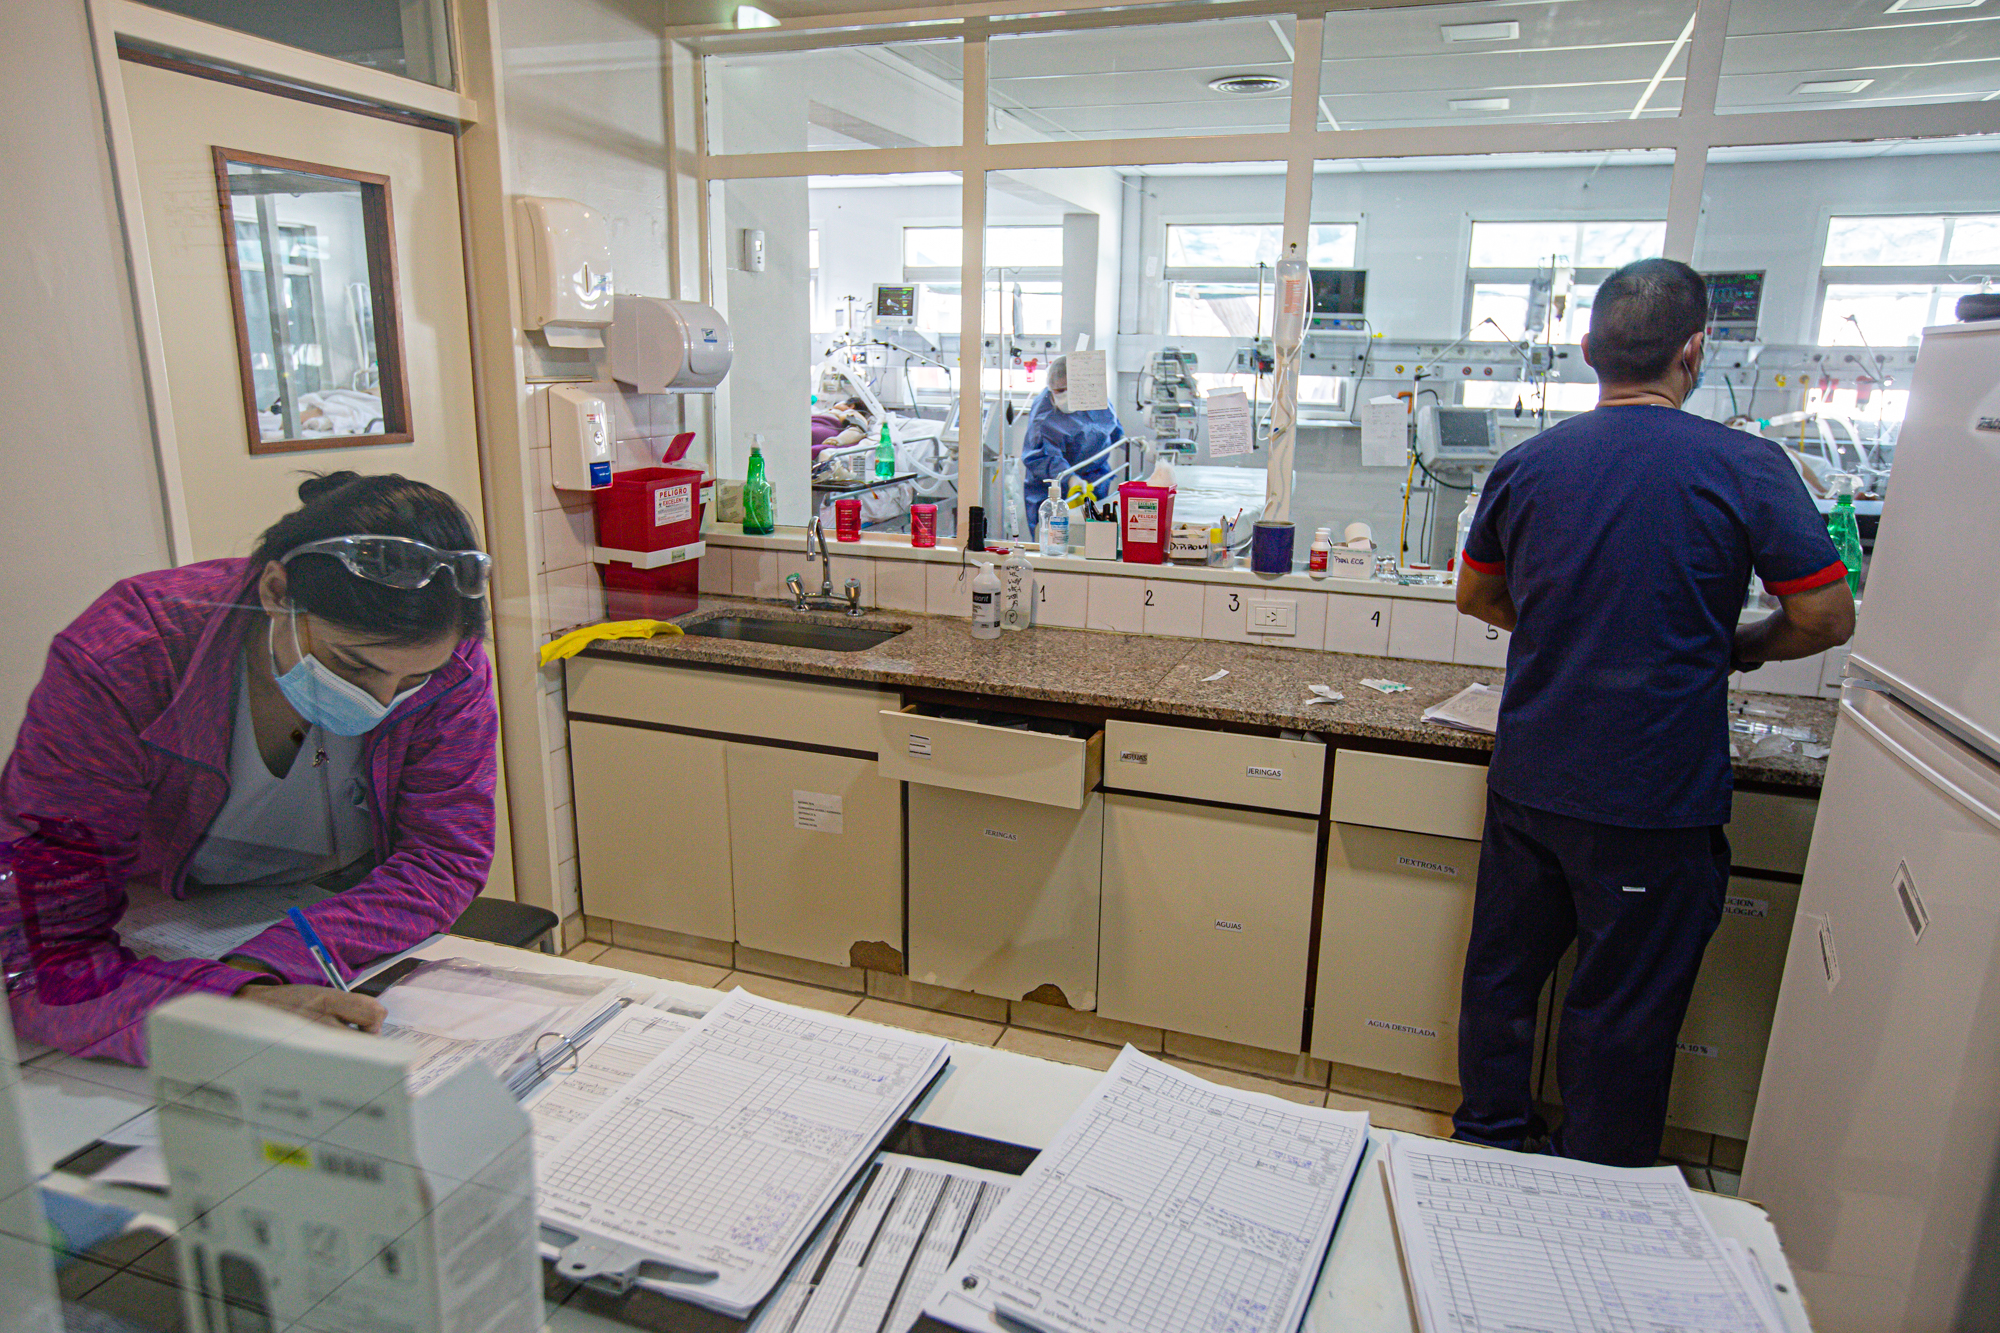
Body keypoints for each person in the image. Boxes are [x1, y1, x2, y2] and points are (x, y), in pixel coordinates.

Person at [1451, 259, 1855, 1166]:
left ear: (1590, 350)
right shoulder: (1745, 465)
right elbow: (1827, 615)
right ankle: (1595, 1187)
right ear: (1696, 350)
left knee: (1501, 983)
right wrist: (1737, 644)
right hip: (1653, 798)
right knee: (1621, 1011)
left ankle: (1481, 1151)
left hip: (1532, 784)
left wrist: (1563, 627)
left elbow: (1477, 594)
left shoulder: (1529, 462)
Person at [1, 473, 499, 1065]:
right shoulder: (128, 656)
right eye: (353, 667)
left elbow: (445, 854)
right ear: (274, 591)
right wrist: (224, 1004)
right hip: (155, 917)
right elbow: (41, 952)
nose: (382, 700)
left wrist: (267, 963)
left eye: (411, 682)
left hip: (331, 907)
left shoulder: (447, 660)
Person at [1021, 354, 1123, 533]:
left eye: (1069, 390)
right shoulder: (1044, 416)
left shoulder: (1094, 398)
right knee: (1052, 537)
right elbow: (1043, 455)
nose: (1064, 396)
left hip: (1095, 477)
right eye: (1059, 391)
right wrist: (1070, 478)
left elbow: (1109, 424)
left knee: (1093, 534)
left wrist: (1124, 440)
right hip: (1051, 485)